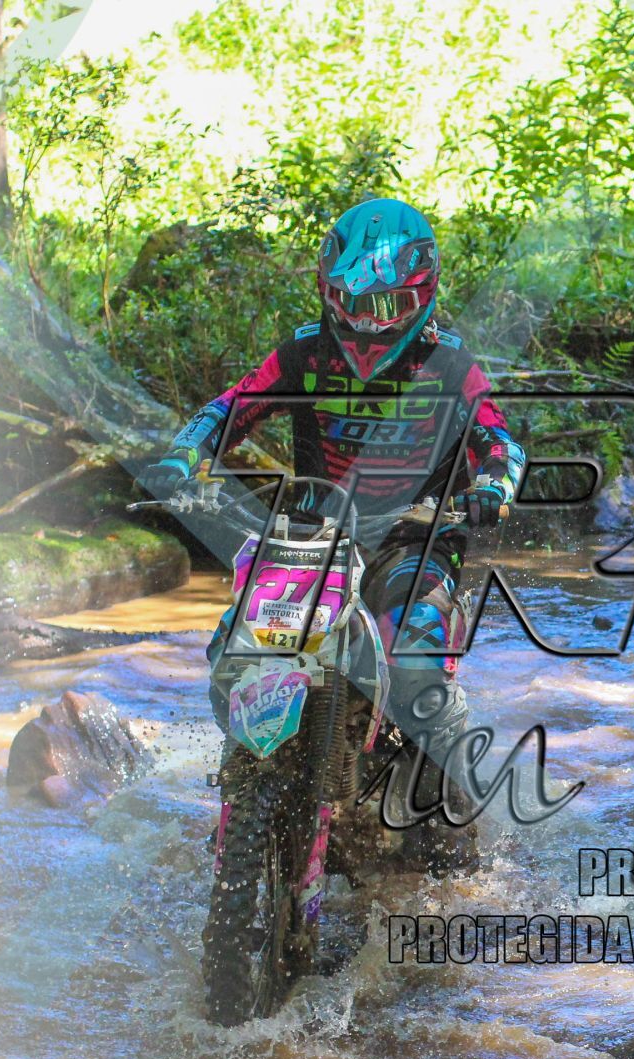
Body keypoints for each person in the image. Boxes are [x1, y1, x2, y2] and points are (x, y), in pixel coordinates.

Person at [140, 197, 524, 865]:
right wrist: (183, 455)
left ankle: (456, 814)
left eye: (384, 306)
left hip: (416, 540)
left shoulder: (452, 366)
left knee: (416, 669)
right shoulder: (302, 352)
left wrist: (494, 486)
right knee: (237, 648)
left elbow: (499, 439)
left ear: (421, 295)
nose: (365, 322)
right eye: (349, 302)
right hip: (315, 535)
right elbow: (231, 407)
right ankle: (245, 786)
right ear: (326, 289)